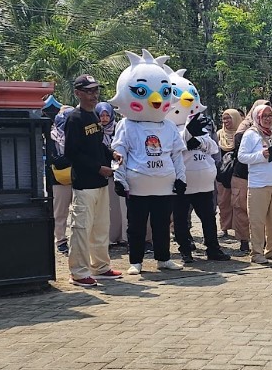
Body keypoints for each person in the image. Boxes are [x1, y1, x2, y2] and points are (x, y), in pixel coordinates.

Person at [110, 49, 187, 276]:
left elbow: (176, 155)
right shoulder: (127, 125)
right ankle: (136, 261)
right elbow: (119, 153)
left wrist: (181, 178)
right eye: (142, 91)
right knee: (136, 226)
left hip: (164, 184)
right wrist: (119, 178)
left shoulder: (169, 126)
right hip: (138, 185)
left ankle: (163, 258)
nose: (155, 99)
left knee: (162, 225)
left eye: (162, 92)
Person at [165, 66, 230, 264]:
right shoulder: (168, 127)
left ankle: (213, 248)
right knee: (182, 220)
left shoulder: (201, 124)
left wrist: (198, 140)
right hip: (183, 183)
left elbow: (212, 147)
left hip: (203, 183)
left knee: (208, 218)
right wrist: (187, 136)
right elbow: (174, 147)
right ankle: (185, 250)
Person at [63, 75, 123, 287]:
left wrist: (111, 154)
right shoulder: (74, 118)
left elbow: (97, 146)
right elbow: (72, 152)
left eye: (95, 90)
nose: (93, 95)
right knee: (81, 228)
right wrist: (98, 168)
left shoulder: (94, 117)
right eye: (88, 91)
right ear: (78, 93)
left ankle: (100, 267)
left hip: (100, 183)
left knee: (100, 227)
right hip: (84, 184)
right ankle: (78, 273)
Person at [238, 103, 272, 264]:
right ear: (257, 117)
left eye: (271, 116)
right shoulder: (250, 134)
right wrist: (262, 154)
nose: (268, 119)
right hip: (258, 184)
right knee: (257, 220)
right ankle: (257, 252)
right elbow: (242, 157)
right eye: (264, 116)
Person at [95, 101, 127, 247]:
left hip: (120, 172)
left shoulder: (118, 128)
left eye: (107, 115)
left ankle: (123, 237)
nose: (105, 118)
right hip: (105, 173)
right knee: (110, 208)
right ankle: (111, 237)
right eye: (101, 115)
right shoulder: (95, 130)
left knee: (123, 208)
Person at [48, 106, 74, 255]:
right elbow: (54, 158)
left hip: (78, 178)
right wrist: (73, 159)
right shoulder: (52, 136)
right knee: (60, 212)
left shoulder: (77, 135)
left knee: (80, 211)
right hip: (59, 180)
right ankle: (61, 241)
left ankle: (78, 240)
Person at [216, 108, 242, 238]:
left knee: (238, 203)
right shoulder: (219, 134)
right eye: (224, 118)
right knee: (223, 202)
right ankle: (224, 228)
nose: (226, 121)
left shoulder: (241, 134)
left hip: (237, 173)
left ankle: (240, 230)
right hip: (222, 174)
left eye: (229, 118)